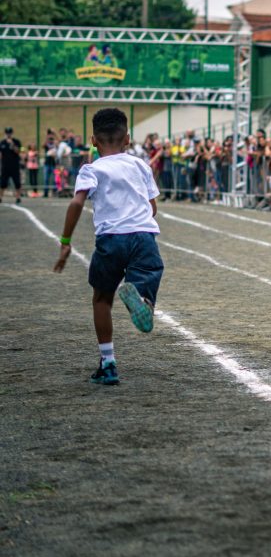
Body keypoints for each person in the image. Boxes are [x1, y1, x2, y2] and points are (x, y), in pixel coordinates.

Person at [52, 109, 164, 386]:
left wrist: (65, 242)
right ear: (127, 138)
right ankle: (145, 302)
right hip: (143, 235)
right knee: (147, 275)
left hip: (111, 238)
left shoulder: (91, 169)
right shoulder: (140, 165)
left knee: (102, 299)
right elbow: (153, 208)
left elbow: (77, 203)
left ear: (93, 140)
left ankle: (109, 364)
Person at [0, 127, 24, 204]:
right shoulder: (2, 143)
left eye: (9, 133)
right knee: (3, 183)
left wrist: (12, 144)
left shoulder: (16, 142)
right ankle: (0, 197)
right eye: (7, 133)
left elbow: (18, 151)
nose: (8, 134)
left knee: (17, 182)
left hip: (14, 166)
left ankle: (18, 197)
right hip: (5, 166)